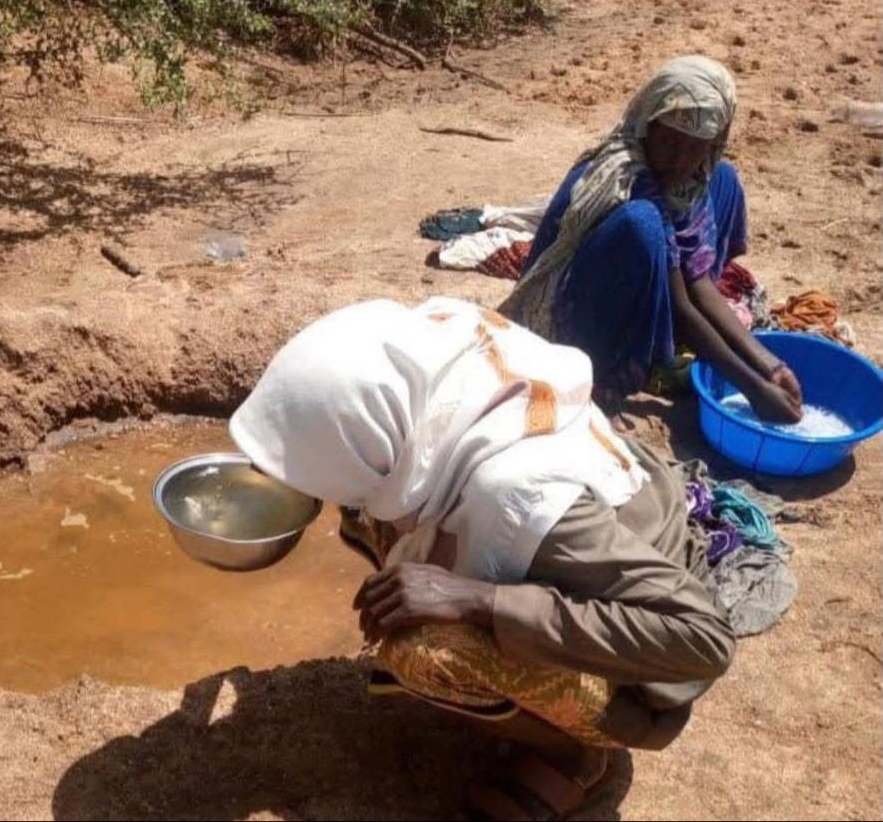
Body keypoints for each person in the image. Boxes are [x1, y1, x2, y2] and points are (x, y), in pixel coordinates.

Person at [229, 297, 736, 821]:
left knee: (421, 648)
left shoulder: (519, 499)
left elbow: (704, 639)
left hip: (637, 667)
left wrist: (476, 600)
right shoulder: (438, 355)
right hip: (587, 524)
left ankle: (572, 755)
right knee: (365, 513)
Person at [501, 55, 803, 423]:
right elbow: (682, 302)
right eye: (669, 141)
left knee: (724, 180)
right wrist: (752, 388)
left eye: (695, 147)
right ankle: (618, 365)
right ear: (647, 125)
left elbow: (698, 283)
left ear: (714, 141)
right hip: (570, 320)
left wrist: (771, 368)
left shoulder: (693, 175)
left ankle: (667, 336)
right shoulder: (628, 176)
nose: (679, 159)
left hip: (651, 286)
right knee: (641, 224)